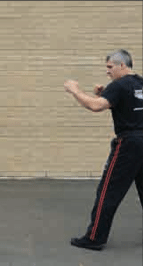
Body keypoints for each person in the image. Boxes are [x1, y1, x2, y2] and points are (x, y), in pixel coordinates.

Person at [64, 49, 143, 251]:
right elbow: (126, 104)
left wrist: (75, 90)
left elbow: (95, 107)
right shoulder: (139, 83)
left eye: (110, 67)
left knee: (108, 191)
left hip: (129, 144)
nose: (107, 72)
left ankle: (95, 238)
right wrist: (104, 94)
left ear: (122, 65)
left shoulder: (119, 85)